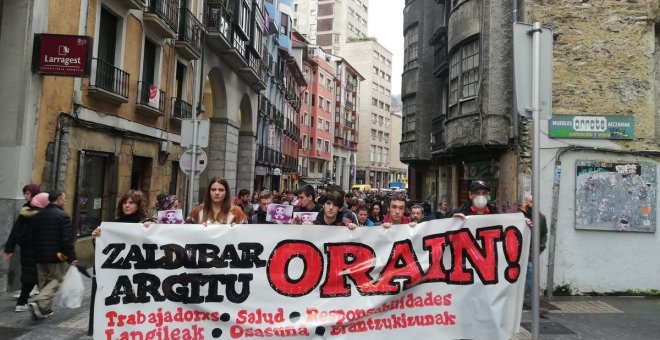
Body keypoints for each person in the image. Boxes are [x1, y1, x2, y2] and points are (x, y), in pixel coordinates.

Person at [88, 189, 150, 335]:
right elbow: (103, 252)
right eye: (124, 202)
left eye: (131, 203)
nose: (126, 205)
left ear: (138, 206)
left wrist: (151, 230)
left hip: (137, 276)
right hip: (117, 277)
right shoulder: (113, 226)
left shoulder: (146, 224)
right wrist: (97, 238)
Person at [28, 191, 78, 320]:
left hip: (39, 256)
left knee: (44, 283)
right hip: (56, 257)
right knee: (56, 280)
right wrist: (72, 257)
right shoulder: (63, 216)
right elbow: (66, 240)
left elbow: (31, 237)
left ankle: (44, 310)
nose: (65, 201)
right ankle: (40, 302)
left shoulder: (38, 215)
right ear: (59, 199)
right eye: (64, 199)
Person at [3, 192, 49, 312]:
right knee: (41, 277)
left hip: (26, 249)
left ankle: (23, 302)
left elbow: (15, 230)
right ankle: (41, 306)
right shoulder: (43, 215)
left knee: (30, 276)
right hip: (39, 250)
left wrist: (9, 248)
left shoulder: (26, 212)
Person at [519, 195, 548, 315]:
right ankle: (525, 301)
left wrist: (540, 247)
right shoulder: (520, 216)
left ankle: (532, 302)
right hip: (518, 253)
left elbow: (544, 233)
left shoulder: (540, 217)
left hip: (531, 253)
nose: (532, 204)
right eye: (530, 201)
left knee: (531, 276)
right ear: (525, 202)